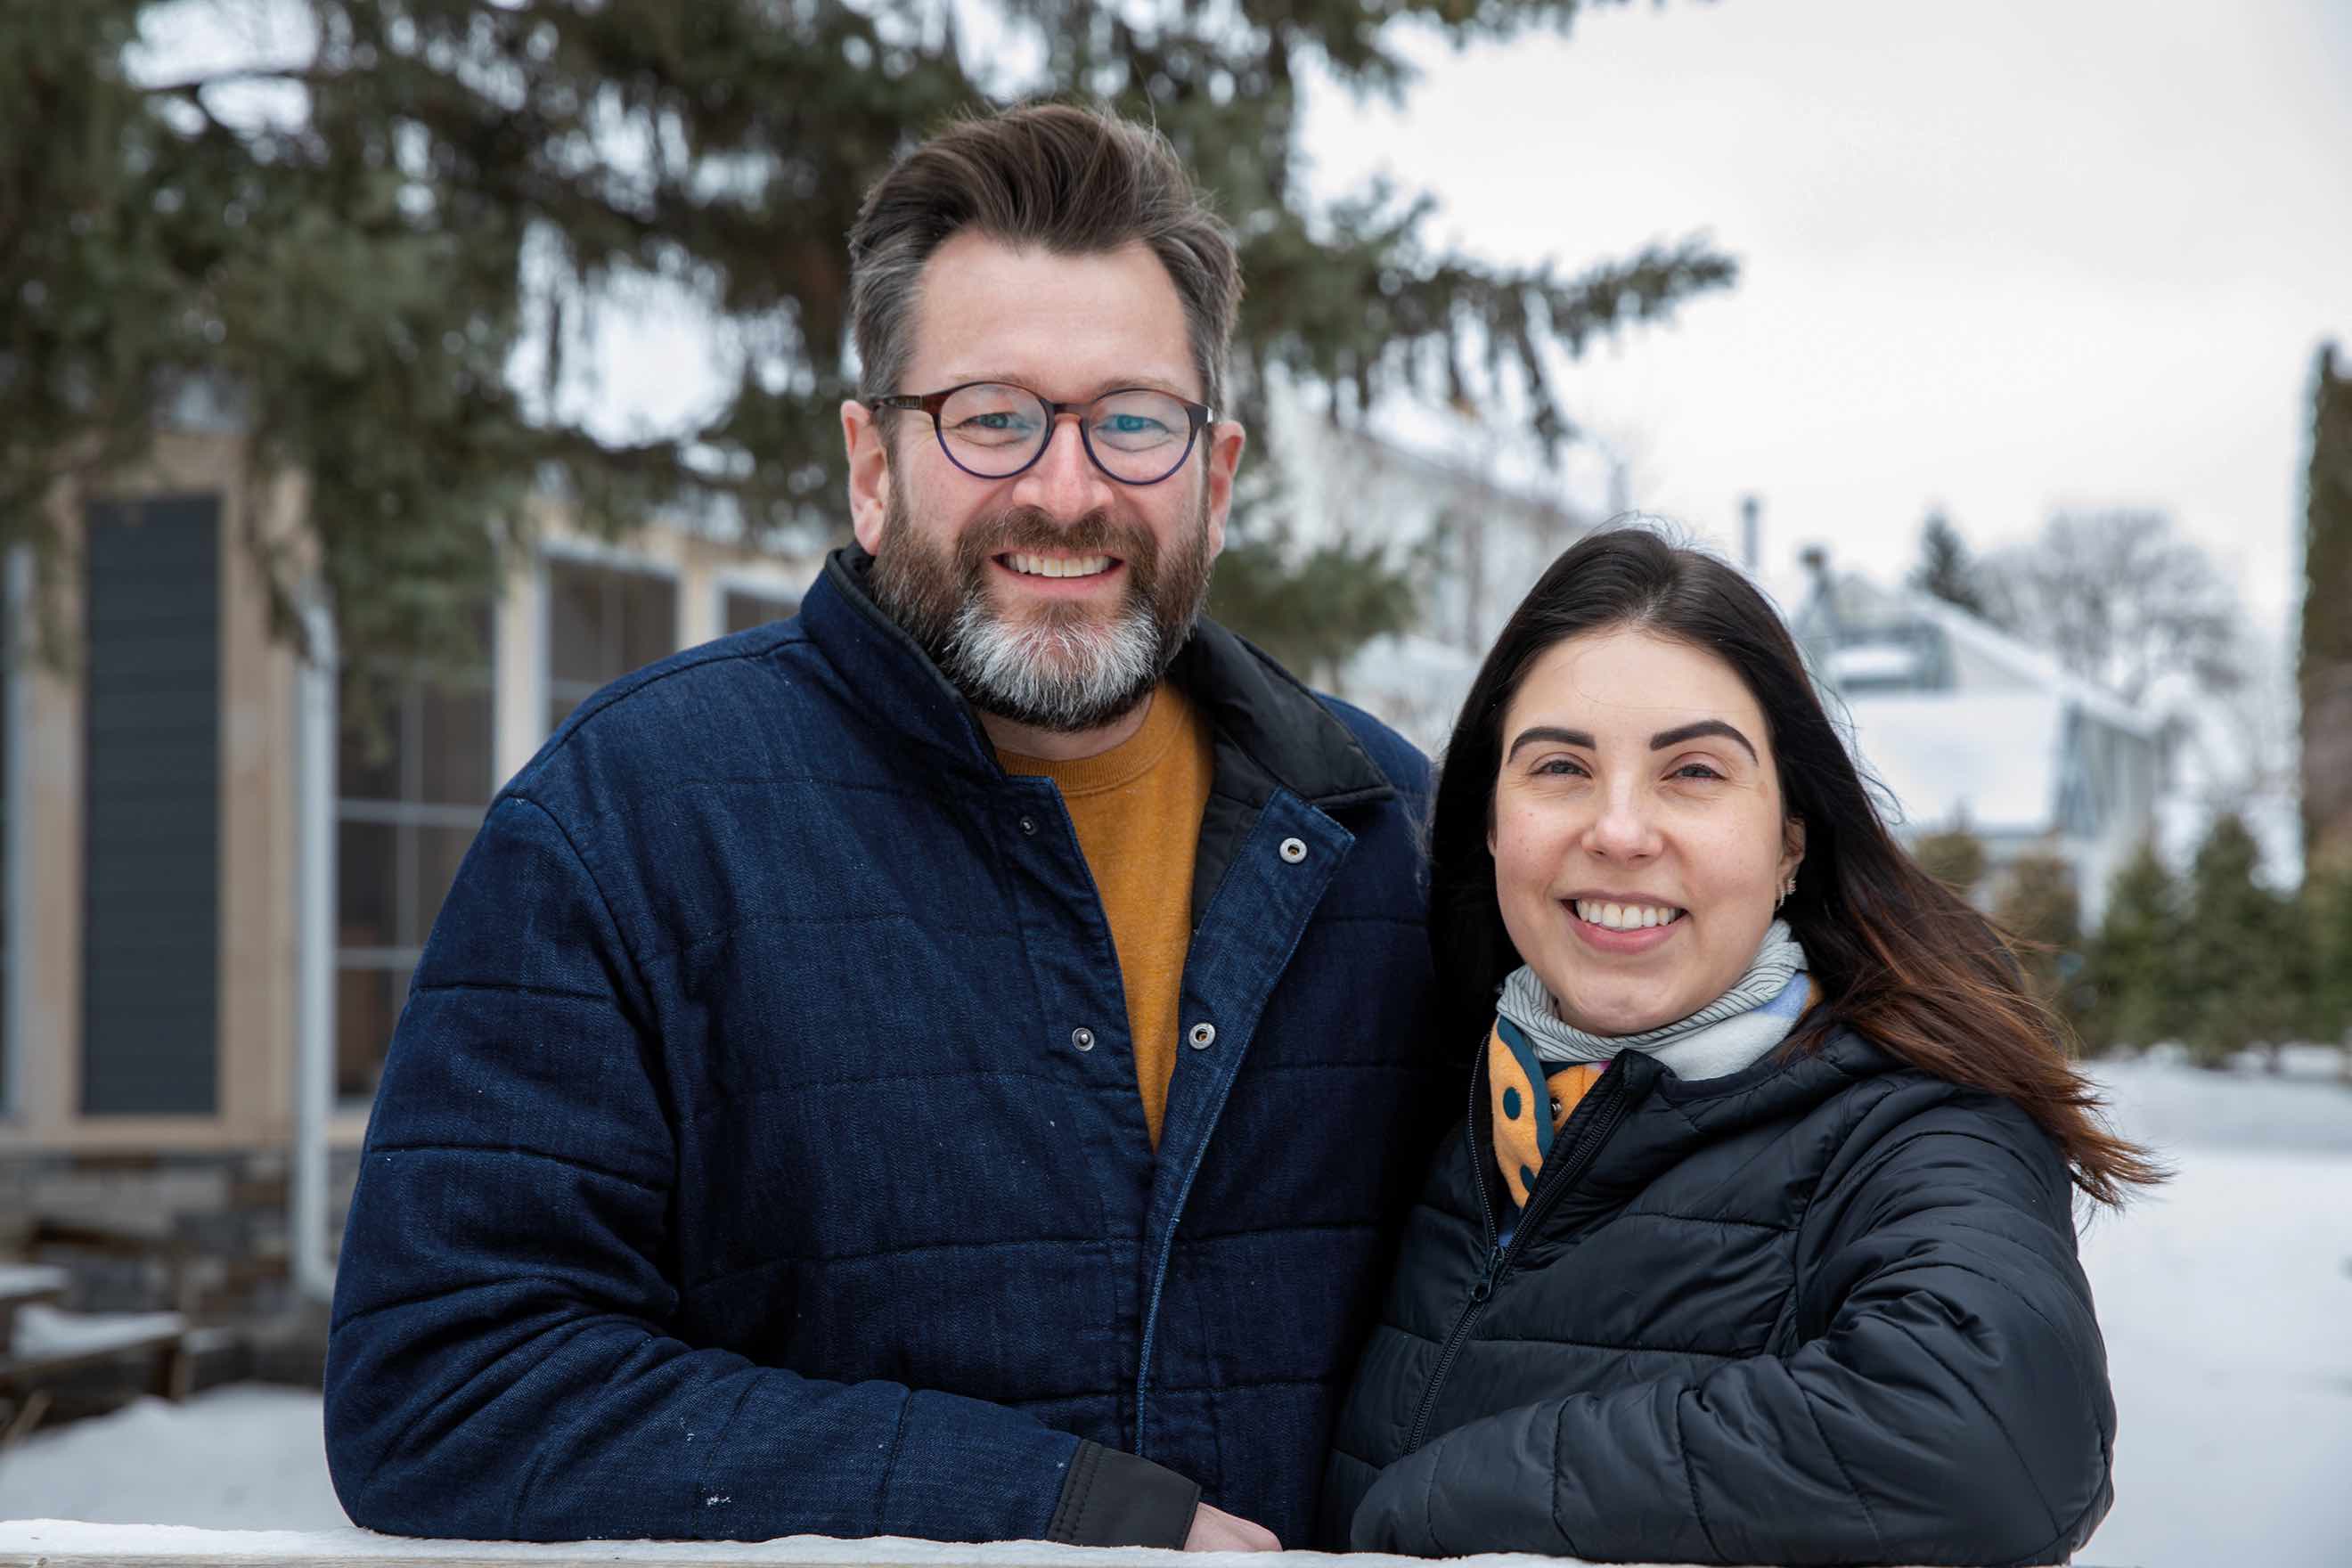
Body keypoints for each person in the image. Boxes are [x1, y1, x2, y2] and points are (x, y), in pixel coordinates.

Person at [323, 103, 1450, 1552]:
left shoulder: (1389, 834)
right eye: (991, 418)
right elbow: (446, 1393)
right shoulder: (634, 822)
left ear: (1214, 474)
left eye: (1131, 421)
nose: (1067, 487)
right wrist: (1042, 1513)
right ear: (871, 464)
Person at [1322, 528, 2159, 1565]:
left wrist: (1449, 1496)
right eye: (1560, 765)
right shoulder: (1429, 1090)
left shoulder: (1909, 1124)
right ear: (1491, 820)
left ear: (1790, 839)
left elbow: (1995, 1433)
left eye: (1694, 770)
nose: (1620, 830)